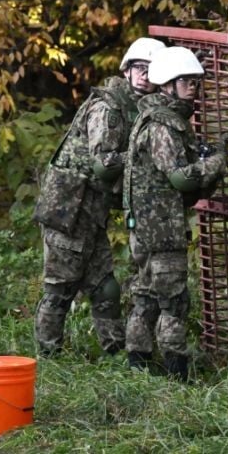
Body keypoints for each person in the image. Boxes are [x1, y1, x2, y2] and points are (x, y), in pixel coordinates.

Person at [33, 37, 165, 357]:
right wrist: (141, 156)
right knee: (60, 287)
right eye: (139, 68)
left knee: (105, 286)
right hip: (70, 205)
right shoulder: (109, 106)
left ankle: (114, 351)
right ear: (127, 70)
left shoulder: (141, 107)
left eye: (152, 70)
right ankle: (48, 356)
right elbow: (104, 165)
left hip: (92, 208)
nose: (145, 75)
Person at [123, 46, 227, 380]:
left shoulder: (158, 117)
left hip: (147, 225)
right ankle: (176, 373)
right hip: (160, 229)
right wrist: (215, 162)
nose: (193, 87)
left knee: (148, 296)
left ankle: (138, 366)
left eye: (195, 81)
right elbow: (179, 177)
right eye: (186, 81)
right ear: (167, 84)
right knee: (172, 301)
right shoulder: (163, 124)